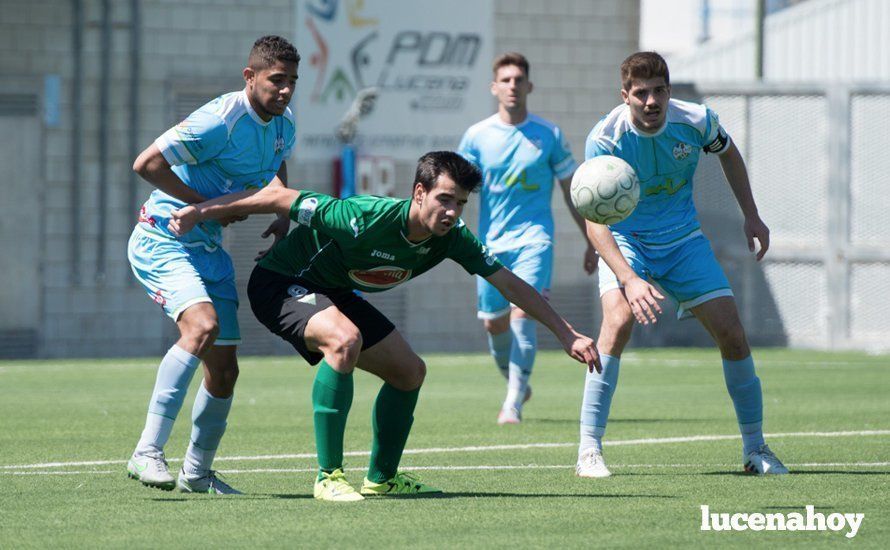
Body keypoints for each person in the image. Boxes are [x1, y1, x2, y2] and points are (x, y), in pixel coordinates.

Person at [168, 151, 601, 501]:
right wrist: (199, 213)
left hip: (333, 290)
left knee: (409, 372)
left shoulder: (452, 239)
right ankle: (328, 476)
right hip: (281, 284)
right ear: (419, 192)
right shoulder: (362, 216)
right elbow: (277, 198)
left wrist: (566, 333)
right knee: (344, 340)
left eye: (461, 203)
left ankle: (382, 477)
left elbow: (508, 282)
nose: (452, 211)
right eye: (444, 199)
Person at [575, 51, 788, 478]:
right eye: (641, 94)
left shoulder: (697, 120)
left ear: (669, 92)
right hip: (627, 242)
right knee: (616, 323)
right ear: (625, 96)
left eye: (659, 91)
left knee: (732, 332)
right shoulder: (605, 138)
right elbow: (594, 220)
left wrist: (751, 213)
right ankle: (588, 450)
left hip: (684, 242)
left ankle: (756, 449)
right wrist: (629, 278)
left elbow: (728, 154)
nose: (651, 102)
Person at [125, 35, 299, 494]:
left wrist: (282, 215)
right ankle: (146, 452)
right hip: (164, 236)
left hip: (208, 251)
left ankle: (197, 473)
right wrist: (209, 206)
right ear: (250, 76)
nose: (285, 90)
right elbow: (146, 164)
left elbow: (277, 166)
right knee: (200, 328)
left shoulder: (284, 126)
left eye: (292, 82)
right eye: (276, 80)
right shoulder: (219, 121)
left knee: (224, 370)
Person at [458, 52, 598, 425]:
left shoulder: (548, 135)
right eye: (505, 80)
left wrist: (591, 240)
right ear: (494, 87)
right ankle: (515, 381)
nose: (513, 86)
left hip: (535, 240)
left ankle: (513, 403)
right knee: (494, 323)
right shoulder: (477, 136)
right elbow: (454, 189)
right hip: (490, 244)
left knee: (525, 313)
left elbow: (573, 191)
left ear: (529, 86)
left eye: (519, 79)